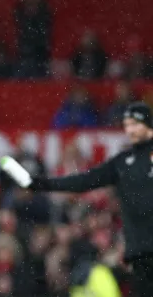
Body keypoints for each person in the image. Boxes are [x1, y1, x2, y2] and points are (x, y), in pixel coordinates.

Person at [10, 101, 153, 297]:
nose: (131, 129)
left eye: (136, 123)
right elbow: (82, 181)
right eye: (128, 124)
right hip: (138, 253)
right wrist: (41, 184)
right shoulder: (122, 163)